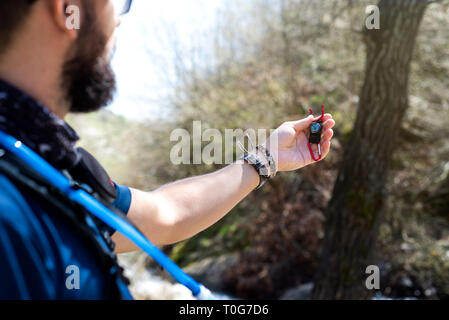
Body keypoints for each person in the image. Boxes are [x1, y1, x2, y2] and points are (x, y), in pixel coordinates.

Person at [0, 0, 335, 299]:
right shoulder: (9, 211)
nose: (119, 20)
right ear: (66, 9)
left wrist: (268, 158)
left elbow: (167, 216)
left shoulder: (49, 168)